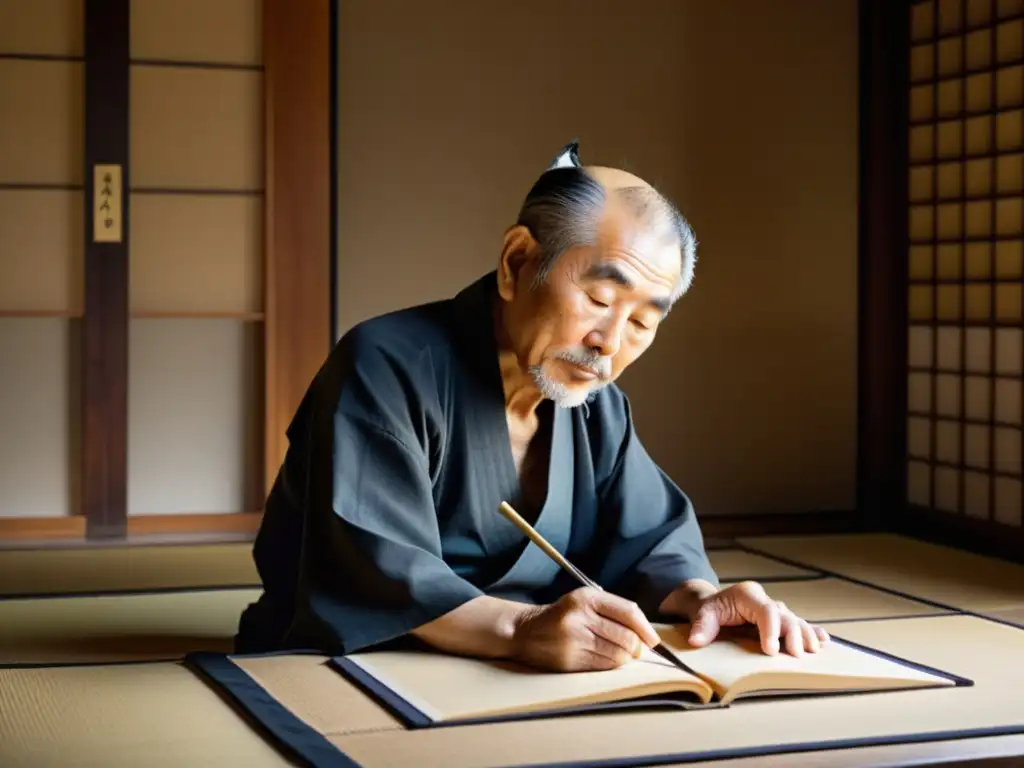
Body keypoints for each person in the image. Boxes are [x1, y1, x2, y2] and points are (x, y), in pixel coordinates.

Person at [236, 140, 829, 672]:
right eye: (599, 297)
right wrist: (520, 628)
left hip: (521, 674)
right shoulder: (387, 365)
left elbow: (651, 540)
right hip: (356, 669)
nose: (611, 342)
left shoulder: (597, 407)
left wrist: (705, 601)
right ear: (517, 263)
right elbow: (371, 571)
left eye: (644, 321)